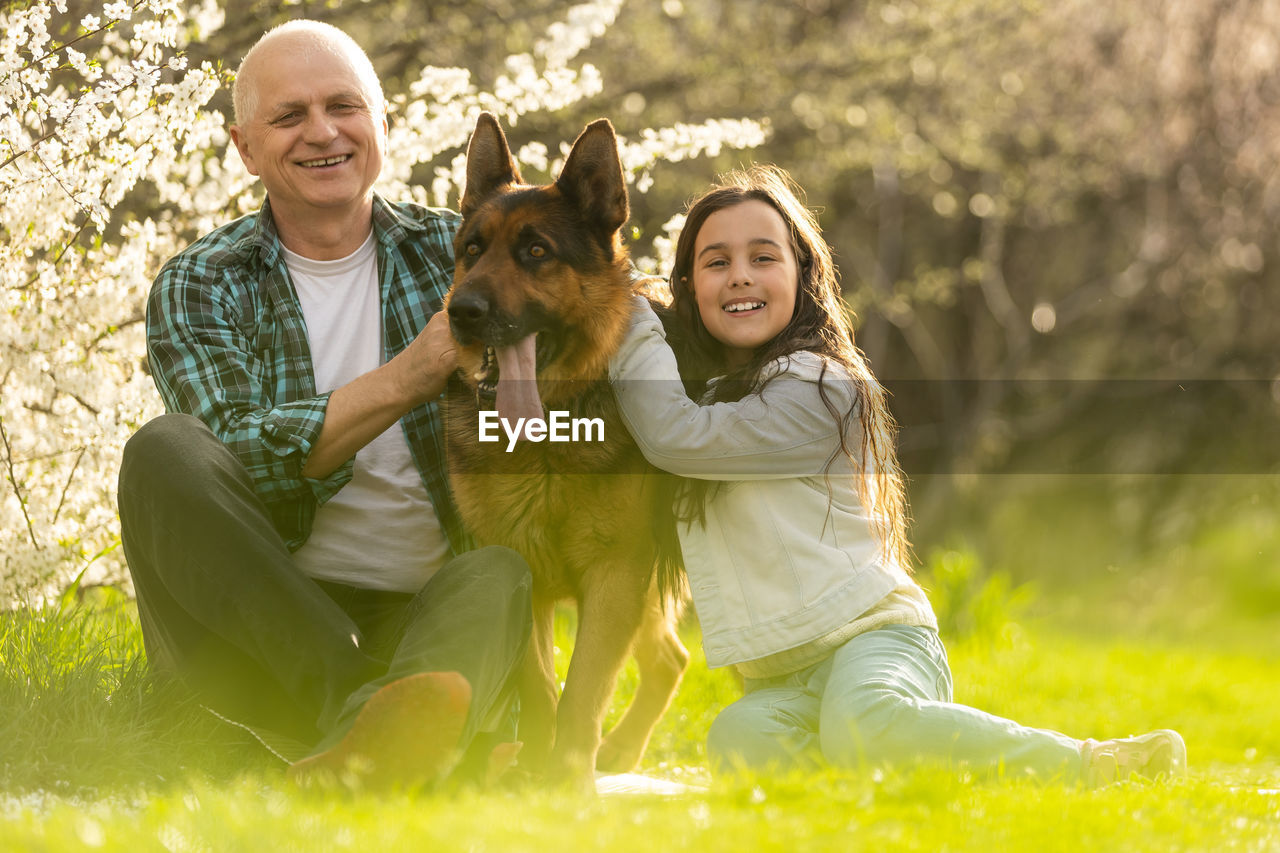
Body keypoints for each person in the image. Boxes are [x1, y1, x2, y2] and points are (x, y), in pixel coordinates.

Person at [608, 165, 1187, 786]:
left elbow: (676, 436)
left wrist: (625, 317)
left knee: (866, 719)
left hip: (876, 642)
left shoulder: (819, 387)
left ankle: (1099, 764)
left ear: (802, 275)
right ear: (689, 284)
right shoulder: (706, 389)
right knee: (739, 742)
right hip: (779, 676)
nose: (741, 274)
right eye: (716, 261)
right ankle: (887, 772)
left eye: (763, 256)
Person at [116, 20, 532, 788]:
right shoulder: (202, 281)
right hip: (262, 640)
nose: (322, 133)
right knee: (163, 450)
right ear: (244, 149)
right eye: (288, 116)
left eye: (344, 106)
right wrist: (412, 373)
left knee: (498, 572)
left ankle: (375, 741)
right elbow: (243, 468)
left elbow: (580, 355)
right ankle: (371, 719)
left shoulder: (467, 252)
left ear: (384, 124)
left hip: (429, 628)